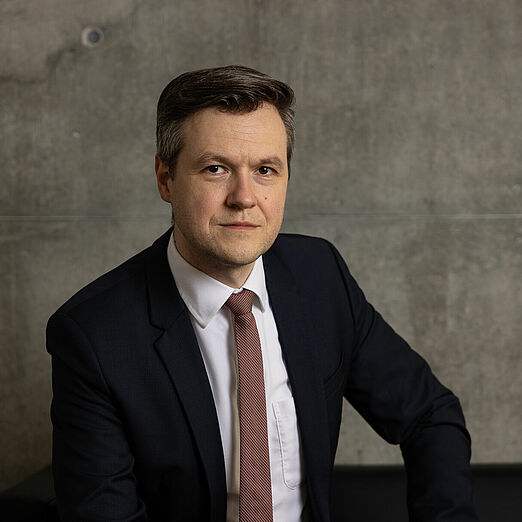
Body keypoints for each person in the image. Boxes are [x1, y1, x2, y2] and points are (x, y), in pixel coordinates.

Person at [47, 65, 478, 521]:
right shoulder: (94, 336)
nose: (244, 197)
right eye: (216, 169)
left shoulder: (319, 276)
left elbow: (430, 414)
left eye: (265, 170)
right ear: (165, 179)